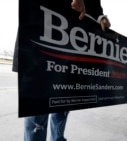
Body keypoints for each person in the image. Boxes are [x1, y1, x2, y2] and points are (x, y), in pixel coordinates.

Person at [13, 0, 111, 141]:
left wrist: (100, 18)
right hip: (40, 45)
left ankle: (58, 138)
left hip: (71, 52)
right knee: (37, 114)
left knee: (63, 105)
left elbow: (95, 6)